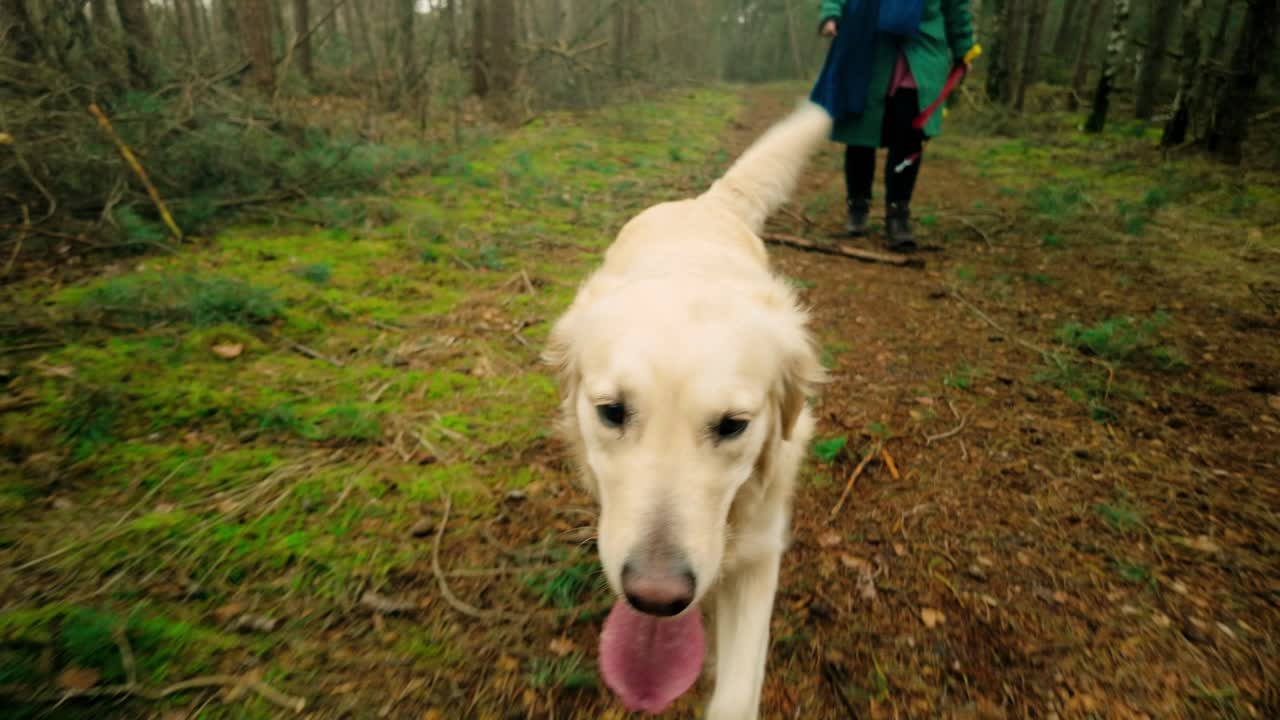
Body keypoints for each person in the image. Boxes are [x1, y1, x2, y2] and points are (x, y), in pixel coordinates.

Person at [812, 0, 974, 251]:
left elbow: (956, 8)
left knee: (909, 137)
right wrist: (830, 15)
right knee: (860, 135)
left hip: (920, 52)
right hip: (867, 48)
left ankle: (898, 214)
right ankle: (858, 206)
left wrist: (964, 48)